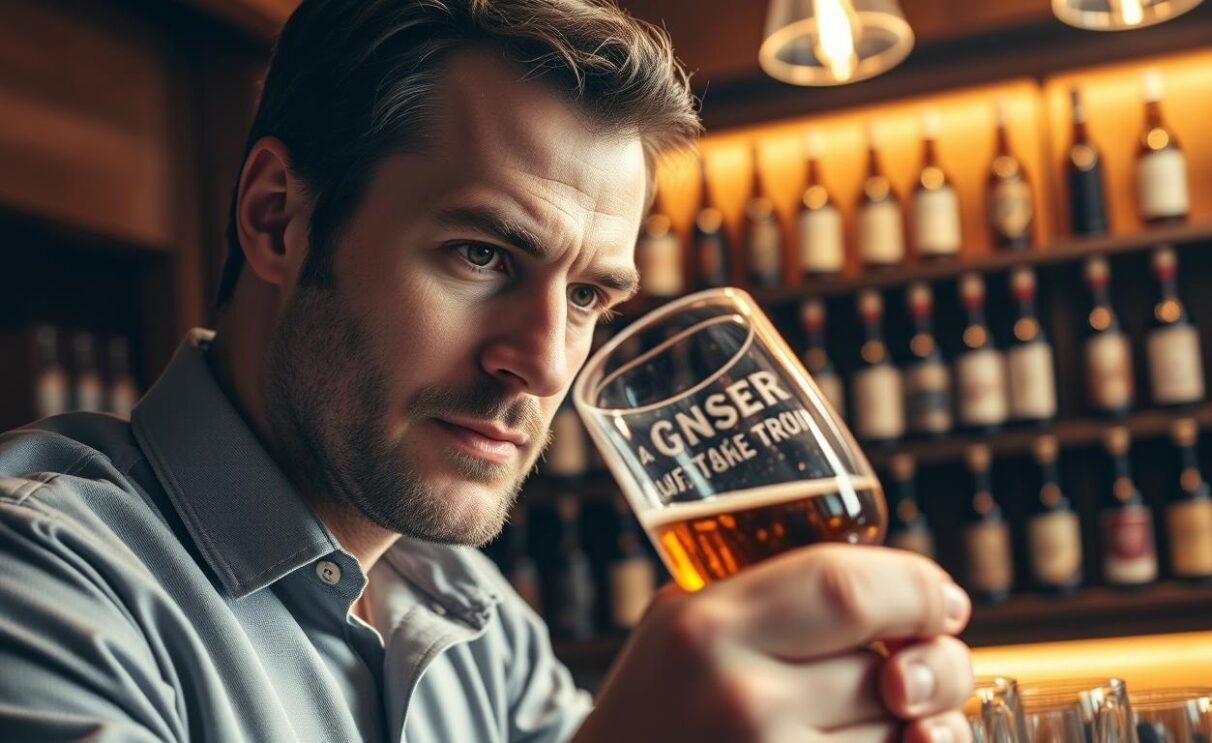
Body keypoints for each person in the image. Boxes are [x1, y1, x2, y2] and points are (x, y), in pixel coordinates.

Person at [0, 0, 974, 740]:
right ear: (276, 219)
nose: (545, 361)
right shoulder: (40, 577)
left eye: (590, 295)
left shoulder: (477, 613)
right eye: (480, 254)